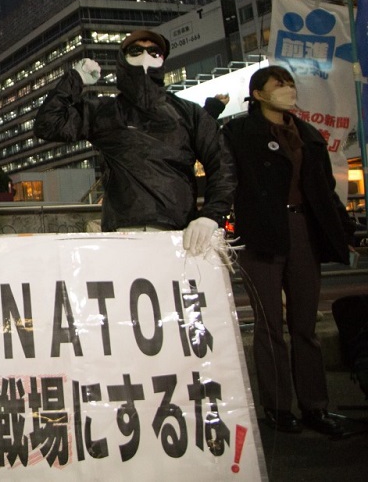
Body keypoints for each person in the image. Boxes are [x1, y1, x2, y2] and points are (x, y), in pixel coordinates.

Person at [222, 65, 354, 436]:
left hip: (302, 229)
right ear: (259, 94)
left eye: (291, 84)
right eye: (279, 85)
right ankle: (278, 407)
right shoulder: (238, 132)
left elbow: (324, 191)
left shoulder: (308, 135)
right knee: (269, 325)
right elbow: (223, 177)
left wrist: (346, 229)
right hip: (260, 231)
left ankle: (316, 406)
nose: (289, 90)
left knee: (305, 325)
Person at [33, 29, 235, 253]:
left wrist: (210, 216)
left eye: (154, 51)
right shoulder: (104, 111)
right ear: (123, 59)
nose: (146, 55)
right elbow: (48, 124)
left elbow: (222, 165)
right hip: (123, 234)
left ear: (163, 60)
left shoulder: (189, 114)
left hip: (180, 235)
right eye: (136, 50)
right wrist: (75, 79)